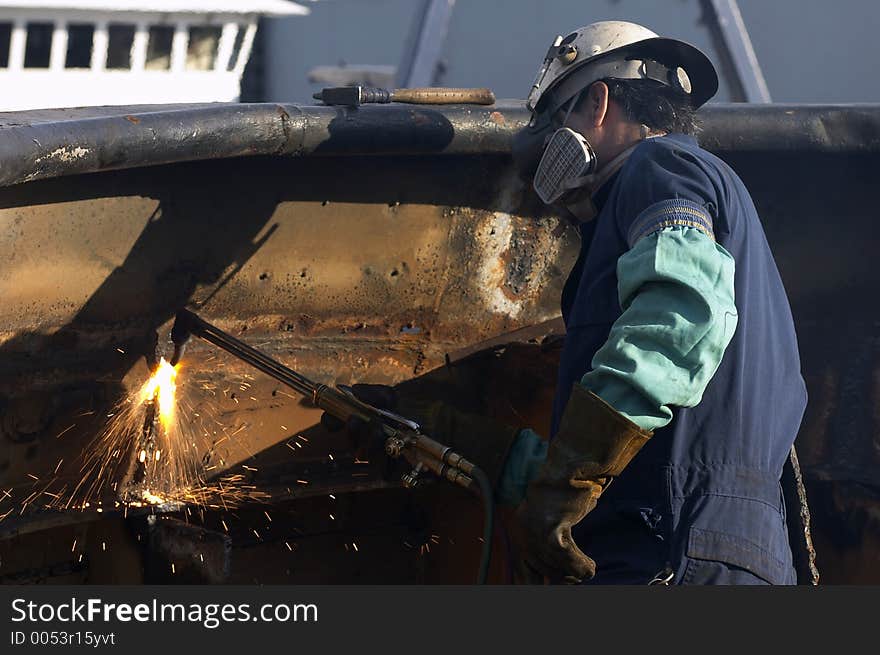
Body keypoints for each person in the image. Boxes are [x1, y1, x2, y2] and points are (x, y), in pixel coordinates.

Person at [326, 21, 808, 586]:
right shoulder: (725, 217)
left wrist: (567, 482)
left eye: (556, 116)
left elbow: (680, 317)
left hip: (666, 556)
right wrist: (451, 437)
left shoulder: (661, 168)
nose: (545, 143)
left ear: (599, 102)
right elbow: (627, 459)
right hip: (723, 557)